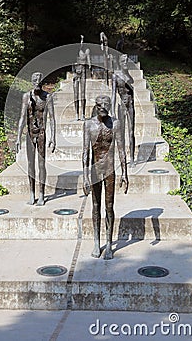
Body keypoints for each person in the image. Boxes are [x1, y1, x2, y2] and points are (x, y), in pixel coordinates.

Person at [83, 95, 128, 260]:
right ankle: (96, 242)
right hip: (95, 170)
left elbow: (121, 149)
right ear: (96, 106)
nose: (103, 108)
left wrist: (125, 172)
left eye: (106, 106)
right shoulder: (88, 124)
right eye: (100, 106)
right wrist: (85, 177)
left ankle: (109, 243)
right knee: (95, 206)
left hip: (109, 170)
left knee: (109, 206)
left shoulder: (115, 123)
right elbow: (85, 153)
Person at [16, 72, 56, 206]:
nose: (37, 82)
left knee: (41, 164)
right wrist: (18, 137)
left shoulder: (47, 97)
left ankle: (42, 194)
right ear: (32, 82)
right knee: (30, 164)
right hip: (30, 133)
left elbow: (52, 118)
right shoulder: (26, 97)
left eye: (40, 80)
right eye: (35, 80)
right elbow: (22, 117)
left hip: (42, 134)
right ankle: (32, 193)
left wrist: (53, 137)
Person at [111, 54, 136, 167]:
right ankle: (123, 158)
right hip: (121, 106)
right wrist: (112, 111)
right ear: (120, 63)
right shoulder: (115, 77)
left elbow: (131, 82)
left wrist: (126, 72)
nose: (125, 64)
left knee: (131, 133)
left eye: (127, 62)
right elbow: (113, 95)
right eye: (123, 62)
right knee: (121, 133)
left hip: (130, 105)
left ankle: (131, 158)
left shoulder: (128, 76)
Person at [72, 35, 91, 120]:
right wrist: (81, 41)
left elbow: (89, 60)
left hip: (83, 70)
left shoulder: (87, 50)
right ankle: (76, 113)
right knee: (76, 94)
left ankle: (82, 114)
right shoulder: (77, 50)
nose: (82, 43)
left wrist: (90, 66)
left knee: (83, 93)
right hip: (76, 71)